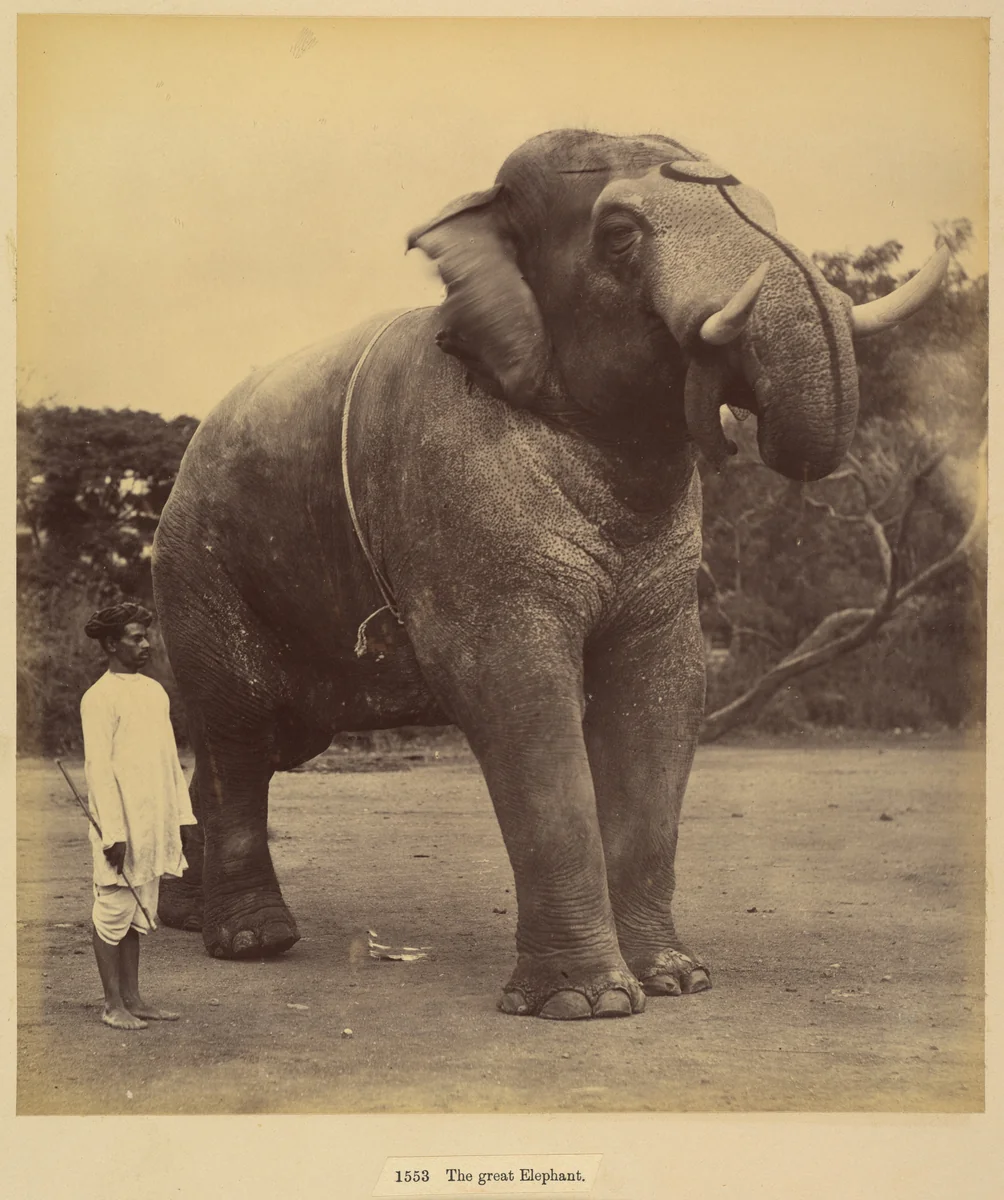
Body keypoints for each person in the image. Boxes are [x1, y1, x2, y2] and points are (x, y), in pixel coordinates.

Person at [80, 602, 197, 1030]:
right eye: (135, 638)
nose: (146, 644)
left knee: (137, 912)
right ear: (111, 644)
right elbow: (98, 770)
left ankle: (134, 998)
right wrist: (113, 832)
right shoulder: (98, 699)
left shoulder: (154, 692)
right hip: (120, 826)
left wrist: (181, 819)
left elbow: (169, 761)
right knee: (112, 910)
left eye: (146, 637)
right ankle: (113, 1004)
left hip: (153, 823)